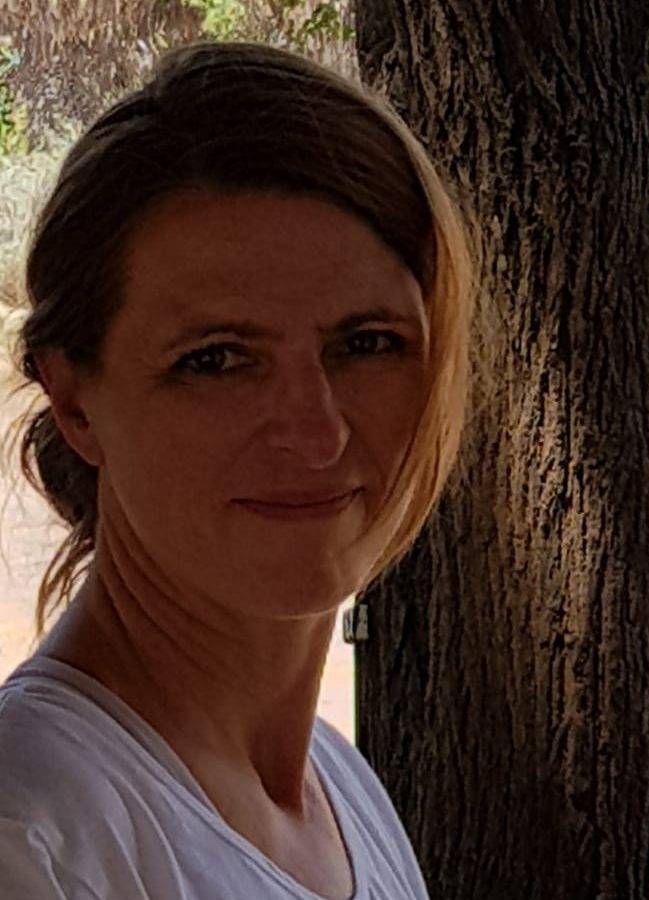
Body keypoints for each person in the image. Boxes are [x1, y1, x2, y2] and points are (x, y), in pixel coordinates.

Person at [0, 40, 473, 899]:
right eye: (215, 360)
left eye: (366, 345)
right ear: (74, 404)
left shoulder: (340, 793)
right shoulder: (37, 839)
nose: (317, 433)